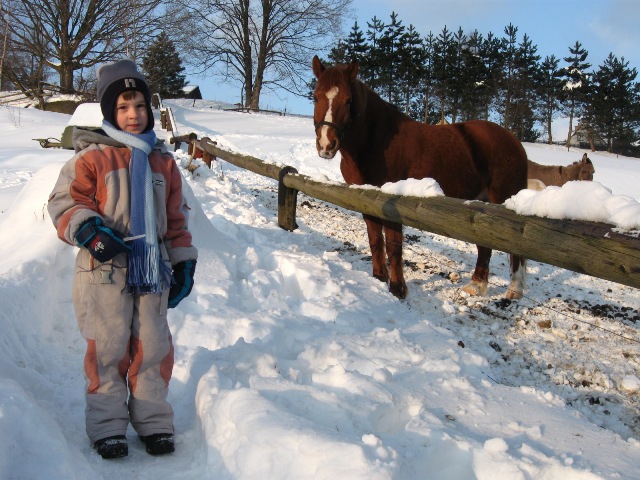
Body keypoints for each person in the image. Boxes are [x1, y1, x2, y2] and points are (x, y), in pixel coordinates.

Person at [47, 59, 198, 459]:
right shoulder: (92, 157)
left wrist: (183, 260)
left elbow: (176, 220)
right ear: (110, 112)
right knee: (109, 348)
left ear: (150, 110)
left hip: (152, 273)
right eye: (123, 107)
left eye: (140, 106)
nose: (133, 114)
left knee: (153, 346)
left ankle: (152, 421)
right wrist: (90, 231)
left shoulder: (162, 161)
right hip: (103, 273)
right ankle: (107, 426)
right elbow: (65, 201)